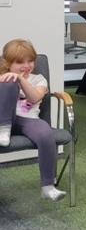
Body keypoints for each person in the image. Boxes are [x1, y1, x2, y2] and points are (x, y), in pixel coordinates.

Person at [0, 39, 66, 202]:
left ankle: (48, 187)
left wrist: (20, 79)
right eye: (20, 62)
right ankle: (3, 129)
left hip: (28, 120)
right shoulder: (3, 78)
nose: (26, 65)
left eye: (30, 61)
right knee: (9, 83)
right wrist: (9, 82)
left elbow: (36, 97)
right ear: (7, 63)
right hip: (4, 118)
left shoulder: (39, 79)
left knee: (46, 134)